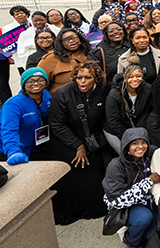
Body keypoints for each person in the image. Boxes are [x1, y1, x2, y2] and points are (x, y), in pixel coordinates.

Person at [48, 61, 111, 225]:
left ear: (96, 78)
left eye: (87, 77)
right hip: (67, 140)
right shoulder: (63, 93)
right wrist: (78, 145)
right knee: (78, 166)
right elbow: (56, 124)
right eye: (78, 77)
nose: (82, 81)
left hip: (93, 138)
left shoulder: (104, 89)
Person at [102, 127, 160, 248]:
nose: (140, 146)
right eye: (135, 143)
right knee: (144, 217)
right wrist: (148, 182)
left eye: (143, 142)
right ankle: (131, 241)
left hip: (147, 200)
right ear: (126, 146)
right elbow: (117, 200)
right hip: (125, 206)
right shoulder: (116, 166)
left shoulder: (149, 157)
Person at [0, 68, 51, 164]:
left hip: (32, 146)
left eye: (41, 79)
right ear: (24, 84)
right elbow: (9, 131)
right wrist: (13, 152)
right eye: (30, 81)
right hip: (4, 150)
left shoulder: (46, 96)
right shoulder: (13, 105)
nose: (36, 83)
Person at [104, 65, 154, 154]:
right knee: (128, 154)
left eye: (138, 76)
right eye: (130, 77)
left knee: (142, 152)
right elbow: (113, 121)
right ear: (125, 77)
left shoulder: (147, 89)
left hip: (136, 127)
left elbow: (145, 113)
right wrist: (131, 137)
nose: (135, 79)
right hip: (115, 131)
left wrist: (137, 133)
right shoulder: (114, 94)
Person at [38, 28, 92, 94]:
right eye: (66, 40)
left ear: (80, 40)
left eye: (74, 38)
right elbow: (39, 84)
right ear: (61, 43)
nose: (71, 41)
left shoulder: (90, 55)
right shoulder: (50, 59)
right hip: (61, 100)